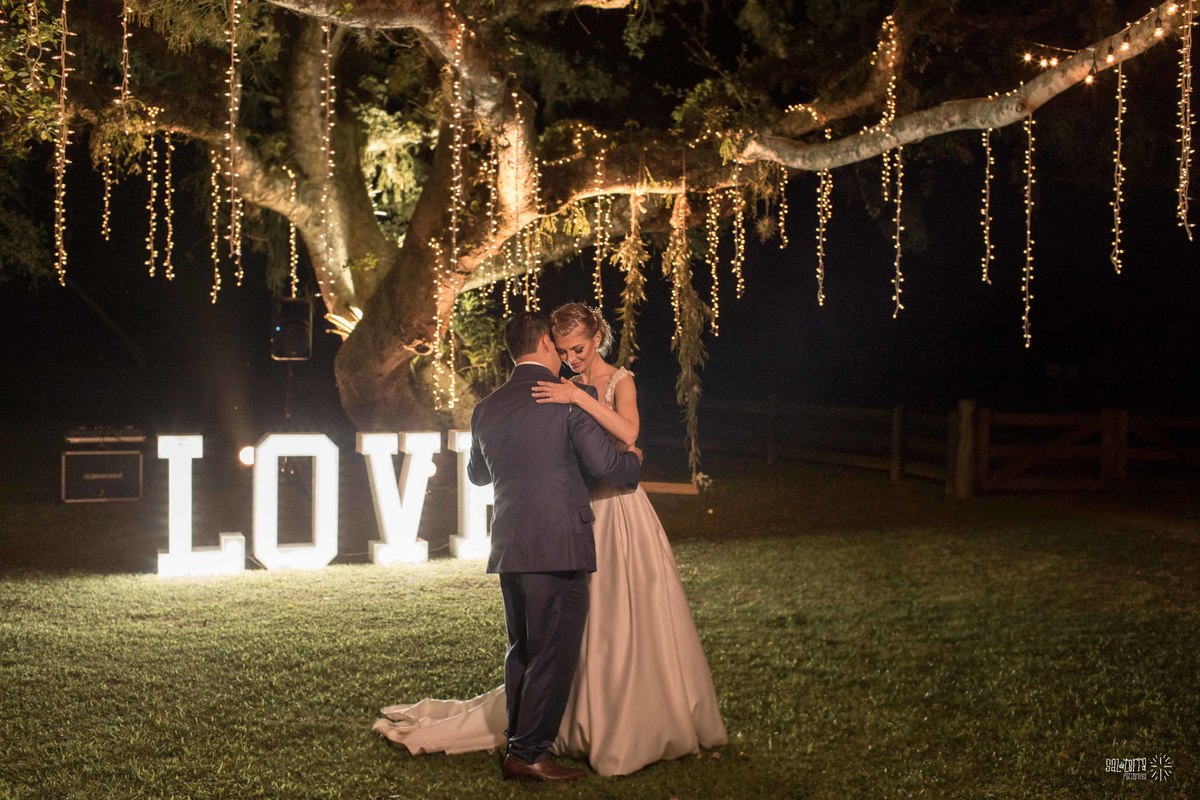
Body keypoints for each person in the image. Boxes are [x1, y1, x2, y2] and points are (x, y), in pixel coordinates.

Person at [373, 305, 726, 777]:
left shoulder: (487, 408)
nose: (569, 358)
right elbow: (608, 466)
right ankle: (532, 750)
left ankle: (528, 735)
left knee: (524, 647)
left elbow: (479, 475)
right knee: (554, 648)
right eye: (560, 349)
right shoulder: (565, 399)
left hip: (513, 543)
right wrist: (634, 460)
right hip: (564, 536)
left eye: (576, 348)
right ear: (544, 346)